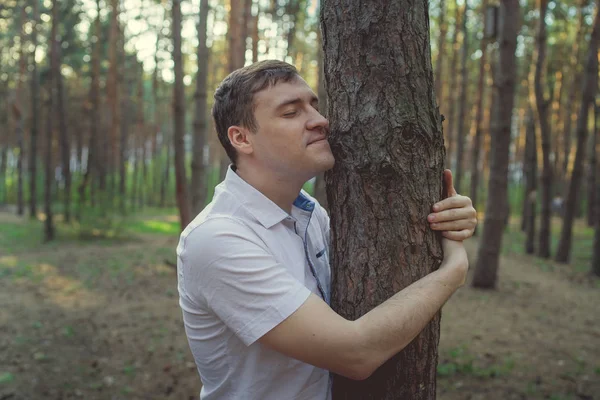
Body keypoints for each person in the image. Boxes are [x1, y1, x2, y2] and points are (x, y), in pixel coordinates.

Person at [176, 60, 477, 400]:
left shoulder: (309, 214)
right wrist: (454, 268)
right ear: (242, 138)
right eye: (291, 113)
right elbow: (356, 353)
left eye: (314, 106)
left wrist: (447, 220)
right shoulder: (217, 239)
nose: (320, 121)